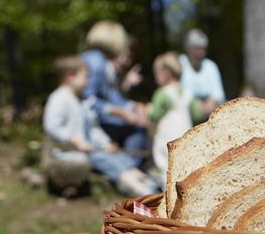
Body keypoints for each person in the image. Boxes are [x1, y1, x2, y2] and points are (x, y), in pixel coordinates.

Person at [44, 55, 160, 196]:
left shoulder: (82, 100)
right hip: (70, 153)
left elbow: (93, 128)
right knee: (109, 161)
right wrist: (74, 140)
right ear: (70, 76)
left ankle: (148, 182)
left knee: (120, 158)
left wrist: (106, 143)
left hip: (90, 149)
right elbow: (52, 127)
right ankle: (141, 190)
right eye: (85, 77)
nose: (87, 83)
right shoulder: (59, 98)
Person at [80, 20, 150, 153]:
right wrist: (120, 112)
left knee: (137, 126)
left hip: (97, 121)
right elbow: (87, 100)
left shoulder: (100, 60)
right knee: (137, 130)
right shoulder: (96, 62)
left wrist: (133, 106)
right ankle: (130, 166)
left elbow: (113, 97)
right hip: (89, 125)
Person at [149, 52, 200, 175]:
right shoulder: (189, 94)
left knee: (166, 171)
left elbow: (153, 115)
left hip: (165, 141)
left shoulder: (161, 93)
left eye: (157, 73)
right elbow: (197, 115)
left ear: (166, 73)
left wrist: (148, 110)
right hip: (185, 140)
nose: (156, 77)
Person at [179, 29, 226, 122]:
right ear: (188, 48)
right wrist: (196, 104)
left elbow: (218, 94)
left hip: (210, 111)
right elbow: (177, 91)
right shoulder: (180, 64)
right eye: (197, 48)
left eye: (203, 48)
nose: (201, 52)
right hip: (186, 111)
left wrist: (210, 103)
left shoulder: (210, 66)